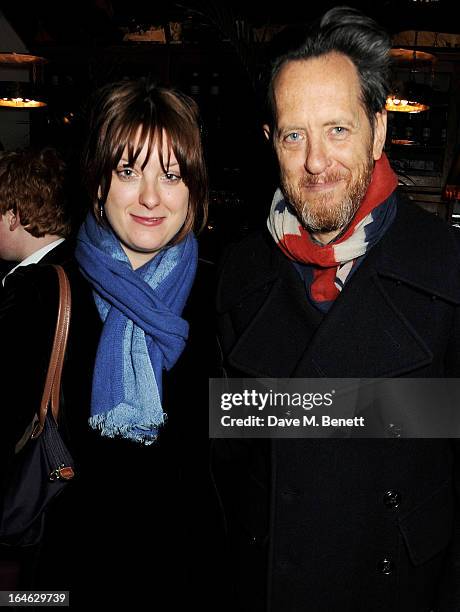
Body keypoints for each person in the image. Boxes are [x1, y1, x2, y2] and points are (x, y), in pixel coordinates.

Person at [213, 7, 460, 612]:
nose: (316, 162)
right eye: (294, 135)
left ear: (378, 130)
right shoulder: (237, 276)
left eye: (338, 130)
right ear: (271, 141)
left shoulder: (447, 266)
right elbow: (231, 464)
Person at [1, 79, 217, 607]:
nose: (150, 197)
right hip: (65, 581)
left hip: (190, 581)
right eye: (128, 171)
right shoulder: (43, 296)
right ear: (98, 181)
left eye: (171, 175)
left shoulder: (225, 297)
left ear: (193, 189)